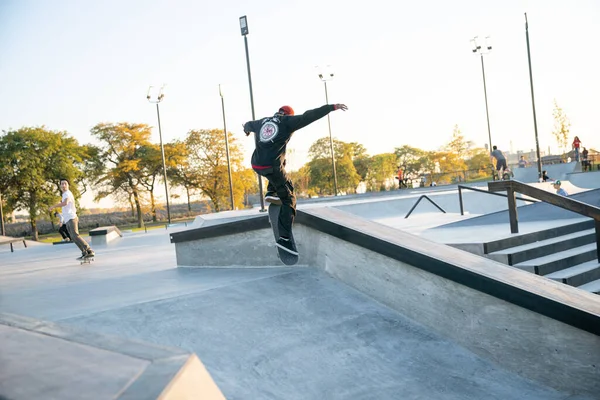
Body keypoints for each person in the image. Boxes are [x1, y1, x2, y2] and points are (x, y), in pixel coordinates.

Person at [243, 103, 348, 255]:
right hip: (271, 167)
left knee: (281, 159)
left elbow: (247, 125)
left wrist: (246, 130)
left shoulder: (263, 121)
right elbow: (309, 115)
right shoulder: (288, 122)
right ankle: (284, 238)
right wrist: (331, 107)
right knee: (289, 198)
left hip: (256, 164)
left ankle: (272, 191)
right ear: (289, 115)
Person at [49, 179, 95, 260]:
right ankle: (84, 252)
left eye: (65, 184)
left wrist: (54, 206)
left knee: (75, 235)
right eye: (62, 184)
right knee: (73, 237)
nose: (63, 185)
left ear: (68, 185)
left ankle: (89, 250)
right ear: (60, 186)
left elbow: (65, 203)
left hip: (71, 217)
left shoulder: (67, 193)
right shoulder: (64, 194)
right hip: (67, 219)